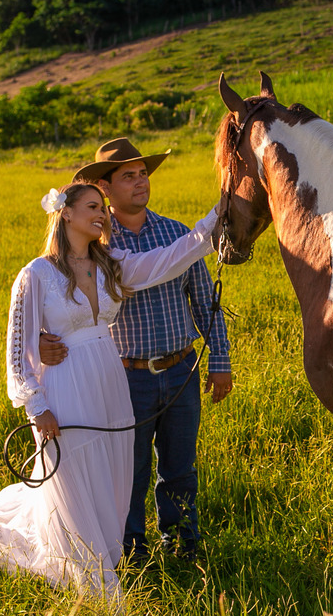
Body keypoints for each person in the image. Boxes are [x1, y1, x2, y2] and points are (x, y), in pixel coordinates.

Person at [0, 182, 220, 607]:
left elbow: (165, 262)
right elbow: (17, 351)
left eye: (103, 207)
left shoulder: (110, 263)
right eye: (92, 207)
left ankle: (107, 558)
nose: (102, 214)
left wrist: (212, 223)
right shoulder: (36, 274)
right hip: (64, 386)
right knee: (74, 478)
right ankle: (94, 582)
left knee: (112, 477)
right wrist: (37, 405)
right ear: (65, 213)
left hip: (110, 381)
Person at [43, 138, 231, 564]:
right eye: (128, 176)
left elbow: (205, 301)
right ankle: (131, 549)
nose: (140, 182)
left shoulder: (174, 231)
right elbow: (55, 294)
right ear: (105, 188)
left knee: (180, 467)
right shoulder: (94, 243)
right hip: (125, 375)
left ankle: (183, 543)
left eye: (143, 173)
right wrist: (39, 339)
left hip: (181, 367)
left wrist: (219, 360)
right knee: (128, 471)